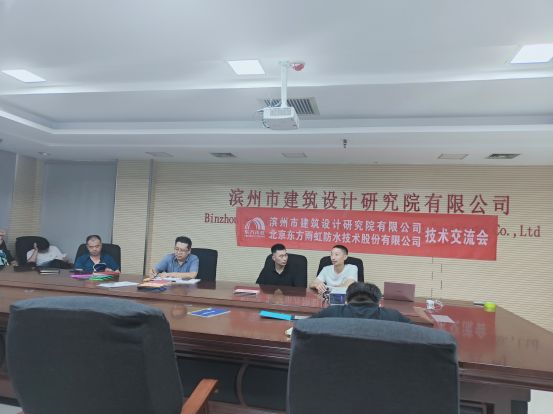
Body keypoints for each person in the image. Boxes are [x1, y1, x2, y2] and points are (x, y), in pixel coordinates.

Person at [311, 282, 412, 323]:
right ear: (379, 302)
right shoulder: (393, 316)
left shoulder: (331, 312)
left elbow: (303, 327)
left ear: (346, 300)